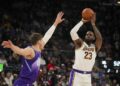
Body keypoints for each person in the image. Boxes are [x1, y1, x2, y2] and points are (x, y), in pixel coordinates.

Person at [1, 11, 64, 86]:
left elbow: (48, 35)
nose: (43, 41)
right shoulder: (30, 50)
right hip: (22, 83)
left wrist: (55, 23)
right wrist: (12, 46)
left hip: (29, 83)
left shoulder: (38, 48)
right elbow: (20, 51)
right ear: (38, 41)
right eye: (41, 40)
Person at [69, 13, 102, 86]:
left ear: (93, 38)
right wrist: (82, 21)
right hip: (76, 75)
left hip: (87, 76)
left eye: (90, 35)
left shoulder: (95, 47)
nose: (88, 35)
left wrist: (93, 25)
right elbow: (72, 32)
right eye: (87, 34)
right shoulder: (80, 43)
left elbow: (99, 38)